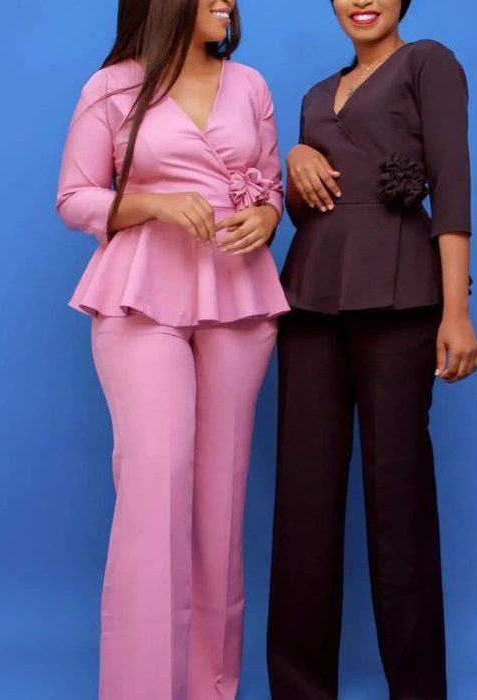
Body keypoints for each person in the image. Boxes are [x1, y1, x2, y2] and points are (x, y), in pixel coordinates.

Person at [55, 1, 289, 697]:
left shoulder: (250, 85)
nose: (228, 1)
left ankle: (211, 688)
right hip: (140, 294)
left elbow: (269, 187)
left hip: (238, 297)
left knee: (222, 503)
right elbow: (73, 197)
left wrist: (266, 216)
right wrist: (154, 204)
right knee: (155, 488)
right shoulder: (111, 87)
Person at [267, 1, 477, 698]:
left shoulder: (428, 63)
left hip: (400, 298)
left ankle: (416, 690)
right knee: (302, 502)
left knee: (399, 503)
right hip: (310, 300)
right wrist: (295, 157)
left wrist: (456, 311)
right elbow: (306, 208)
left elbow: (452, 184)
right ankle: (298, 689)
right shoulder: (313, 96)